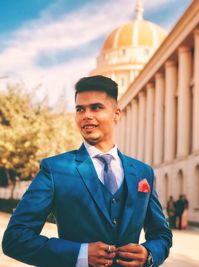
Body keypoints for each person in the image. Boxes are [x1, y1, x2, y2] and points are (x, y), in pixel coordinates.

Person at [2, 75, 172, 267]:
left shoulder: (143, 172)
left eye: (96, 108)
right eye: (80, 109)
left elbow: (161, 234)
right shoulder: (54, 169)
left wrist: (149, 254)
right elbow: (15, 238)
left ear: (116, 113)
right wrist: (79, 254)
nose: (86, 115)